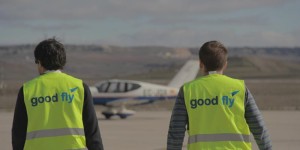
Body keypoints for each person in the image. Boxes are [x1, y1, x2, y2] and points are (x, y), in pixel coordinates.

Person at [167, 41, 272, 150]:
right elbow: (259, 127)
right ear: (225, 64)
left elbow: (176, 131)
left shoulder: (187, 90)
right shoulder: (240, 88)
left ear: (200, 64)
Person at [12, 38, 104, 150]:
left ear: (40, 62)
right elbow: (92, 133)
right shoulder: (80, 87)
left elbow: (18, 134)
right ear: (62, 62)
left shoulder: (27, 90)